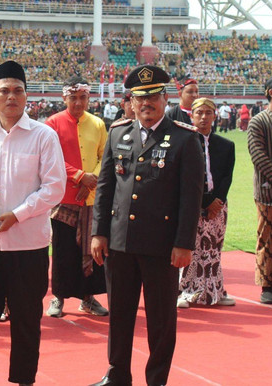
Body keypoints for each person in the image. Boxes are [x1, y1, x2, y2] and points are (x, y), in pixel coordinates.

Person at [90, 65, 204, 386]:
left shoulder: (184, 139)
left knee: (161, 321)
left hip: (162, 247)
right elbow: (105, 188)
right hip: (120, 243)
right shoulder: (118, 133)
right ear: (132, 101)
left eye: (153, 97)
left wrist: (184, 243)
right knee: (120, 316)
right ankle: (117, 376)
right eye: (139, 98)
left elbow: (190, 198)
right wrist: (99, 232)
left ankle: (156, 380)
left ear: (165, 98)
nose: (146, 104)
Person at [0, 61, 66, 386]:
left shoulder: (43, 137)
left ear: (27, 97)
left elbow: (54, 187)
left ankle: (24, 379)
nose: (11, 97)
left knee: (26, 319)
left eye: (17, 91)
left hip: (29, 245)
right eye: (4, 91)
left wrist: (17, 214)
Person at [45, 76, 108, 319]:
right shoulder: (53, 123)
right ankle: (58, 297)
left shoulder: (98, 124)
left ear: (89, 98)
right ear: (64, 98)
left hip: (92, 198)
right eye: (73, 98)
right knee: (63, 250)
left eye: (82, 97)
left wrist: (92, 178)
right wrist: (80, 176)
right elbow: (50, 159)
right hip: (64, 198)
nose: (78, 103)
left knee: (92, 252)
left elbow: (106, 157)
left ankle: (88, 298)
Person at [179, 98, 236, 307]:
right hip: (190, 203)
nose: (203, 117)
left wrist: (217, 202)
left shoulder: (226, 145)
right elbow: (184, 177)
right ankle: (185, 290)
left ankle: (213, 290)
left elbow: (226, 177)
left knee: (213, 248)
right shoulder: (184, 142)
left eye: (208, 113)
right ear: (191, 116)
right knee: (189, 247)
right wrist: (205, 202)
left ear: (214, 116)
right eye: (199, 113)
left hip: (219, 206)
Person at [247, 74, 272, 305]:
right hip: (268, 192)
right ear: (271, 92)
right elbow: (258, 156)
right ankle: (267, 285)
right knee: (267, 237)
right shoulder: (258, 121)